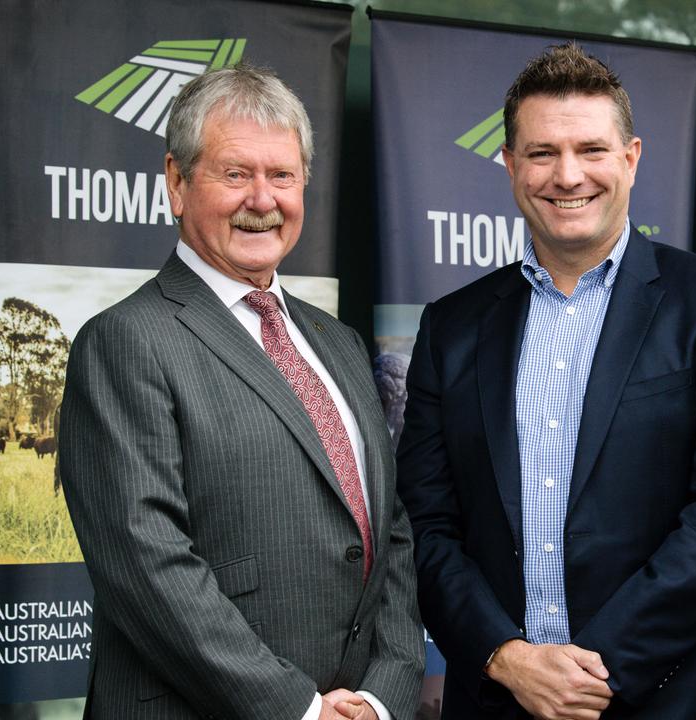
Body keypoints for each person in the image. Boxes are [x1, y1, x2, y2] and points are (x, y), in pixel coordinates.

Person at [396, 42, 696, 720]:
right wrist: (507, 658)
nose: (567, 175)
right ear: (511, 165)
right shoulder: (451, 327)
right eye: (542, 153)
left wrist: (594, 668)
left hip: (675, 700)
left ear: (631, 159)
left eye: (592, 150)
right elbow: (425, 525)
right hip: (500, 702)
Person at [58, 65, 423, 720]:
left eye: (282, 175)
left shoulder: (337, 344)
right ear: (176, 181)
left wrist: (381, 695)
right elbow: (149, 570)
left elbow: (389, 530)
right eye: (235, 173)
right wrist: (300, 710)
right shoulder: (123, 343)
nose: (264, 199)